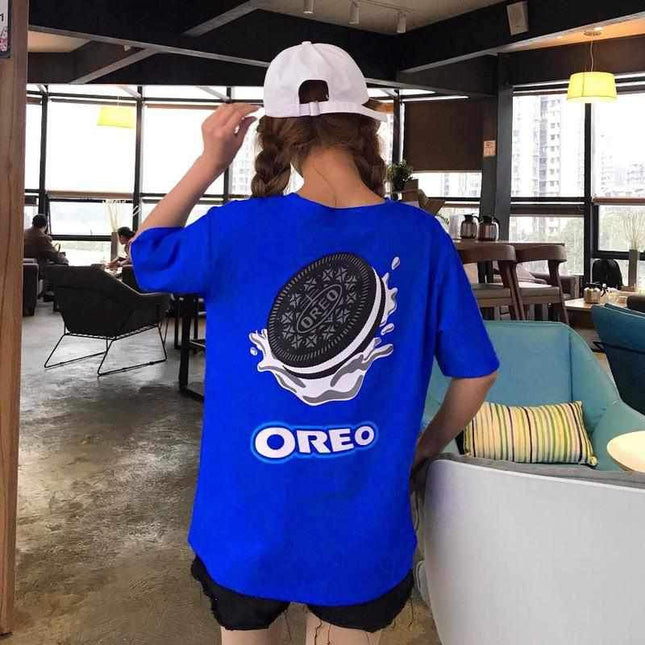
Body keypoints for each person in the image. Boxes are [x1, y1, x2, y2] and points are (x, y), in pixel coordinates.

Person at [131, 42, 498, 645]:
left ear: (277, 134)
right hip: (362, 527)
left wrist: (210, 160)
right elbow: (477, 372)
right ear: (364, 127)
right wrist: (421, 450)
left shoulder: (236, 228)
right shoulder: (420, 236)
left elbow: (146, 256)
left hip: (247, 520)